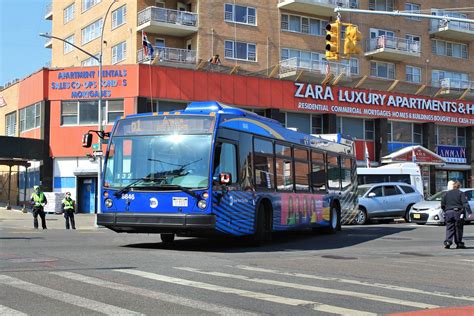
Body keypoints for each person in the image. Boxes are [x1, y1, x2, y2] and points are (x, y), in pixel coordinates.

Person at [441, 180, 472, 249]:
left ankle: (448, 242)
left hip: (448, 212)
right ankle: (459, 243)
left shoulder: (446, 194)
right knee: (458, 228)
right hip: (458, 212)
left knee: (449, 228)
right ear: (459, 186)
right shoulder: (461, 193)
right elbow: (465, 203)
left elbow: (442, 204)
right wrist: (469, 212)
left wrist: (445, 211)